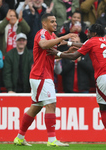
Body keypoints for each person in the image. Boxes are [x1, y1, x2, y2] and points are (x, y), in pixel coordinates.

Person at [13, 13, 75, 147]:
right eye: (52, 21)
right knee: (51, 104)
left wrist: (68, 52)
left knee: (35, 108)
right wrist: (63, 37)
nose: (55, 23)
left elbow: (52, 57)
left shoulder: (52, 36)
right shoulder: (42, 33)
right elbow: (43, 44)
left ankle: (19, 137)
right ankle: (52, 140)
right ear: (44, 24)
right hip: (41, 75)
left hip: (41, 75)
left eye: (55, 21)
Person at [49, 23, 106, 146]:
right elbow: (86, 45)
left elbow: (74, 55)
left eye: (89, 32)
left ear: (94, 33)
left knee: (104, 110)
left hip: (102, 77)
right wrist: (69, 43)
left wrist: (57, 53)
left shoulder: (91, 41)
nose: (87, 34)